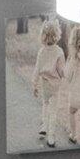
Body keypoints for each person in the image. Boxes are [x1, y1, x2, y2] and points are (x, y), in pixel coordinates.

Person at [29, 18, 68, 149]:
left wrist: (34, 84)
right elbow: (62, 70)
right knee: (54, 110)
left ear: (43, 35)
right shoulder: (59, 52)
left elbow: (37, 69)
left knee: (45, 104)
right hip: (55, 85)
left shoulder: (41, 51)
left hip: (44, 84)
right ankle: (51, 137)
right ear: (57, 35)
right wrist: (66, 77)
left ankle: (44, 126)